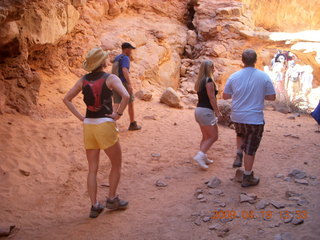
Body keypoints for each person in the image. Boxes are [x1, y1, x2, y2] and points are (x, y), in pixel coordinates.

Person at [63, 47, 130, 218]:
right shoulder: (111, 78)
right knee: (116, 164)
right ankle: (112, 198)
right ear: (103, 62)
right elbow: (126, 96)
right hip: (105, 125)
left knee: (92, 168)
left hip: (89, 126)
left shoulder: (83, 80)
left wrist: (81, 117)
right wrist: (118, 114)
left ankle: (94, 206)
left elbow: (66, 99)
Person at [223, 49, 276, 187]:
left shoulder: (234, 76)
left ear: (242, 61)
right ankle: (247, 177)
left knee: (240, 132)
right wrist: (258, 95)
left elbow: (225, 96)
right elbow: (272, 97)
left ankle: (239, 153)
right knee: (251, 149)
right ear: (256, 60)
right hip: (254, 118)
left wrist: (239, 93)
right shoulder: (263, 76)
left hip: (237, 116)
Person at [193, 60, 222, 170]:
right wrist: (218, 112)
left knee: (206, 136)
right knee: (214, 136)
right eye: (212, 67)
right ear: (209, 68)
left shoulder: (200, 81)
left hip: (199, 110)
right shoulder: (208, 81)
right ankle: (200, 156)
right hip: (206, 111)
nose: (214, 69)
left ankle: (203, 156)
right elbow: (211, 97)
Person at [112, 42, 141, 131]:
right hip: (123, 83)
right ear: (126, 49)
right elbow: (125, 70)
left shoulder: (117, 58)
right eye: (130, 49)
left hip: (115, 83)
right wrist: (129, 84)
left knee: (116, 103)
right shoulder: (125, 58)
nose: (131, 51)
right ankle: (132, 124)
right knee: (130, 103)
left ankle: (112, 124)